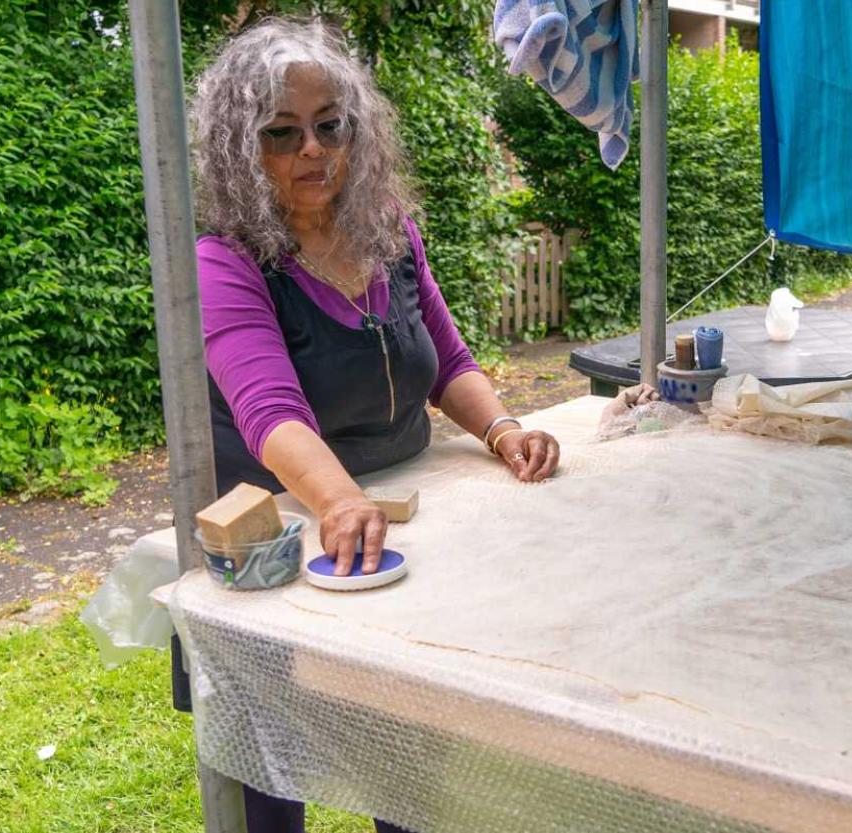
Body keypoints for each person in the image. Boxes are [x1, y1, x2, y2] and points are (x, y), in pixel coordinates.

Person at [191, 17, 558, 831]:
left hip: (395, 528)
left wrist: (502, 431)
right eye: (281, 134)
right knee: (273, 760)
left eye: (330, 125)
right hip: (286, 542)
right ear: (239, 147)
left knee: (403, 746)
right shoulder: (227, 259)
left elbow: (449, 361)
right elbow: (268, 412)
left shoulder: (385, 228)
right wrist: (335, 501)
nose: (312, 149)